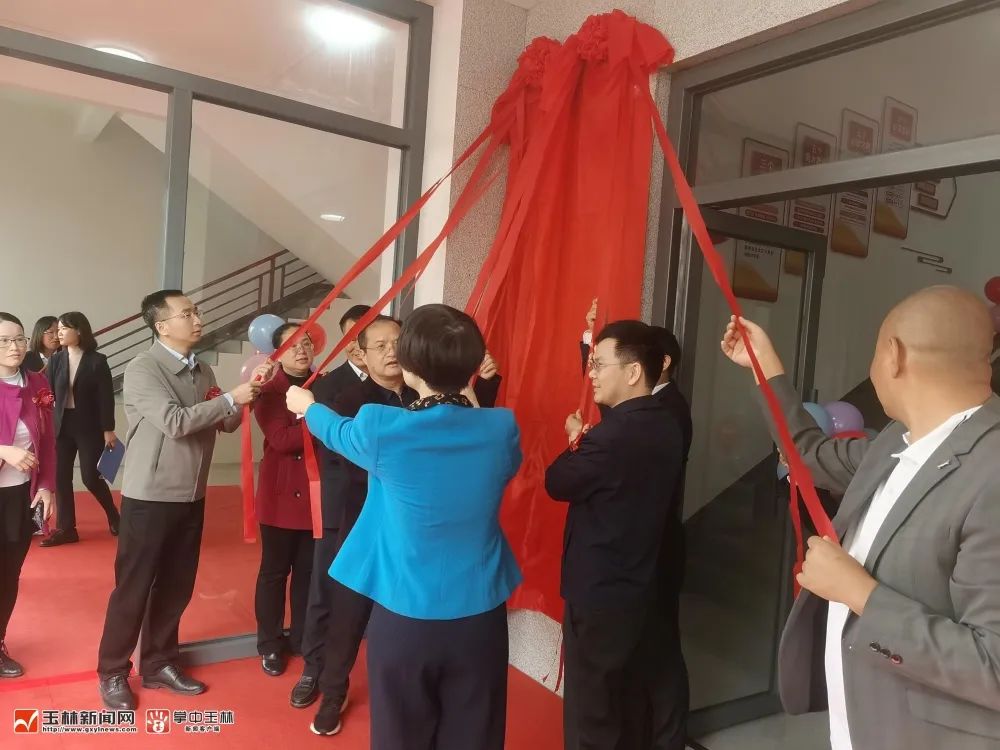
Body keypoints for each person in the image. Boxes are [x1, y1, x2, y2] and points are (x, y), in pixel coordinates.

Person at [720, 285, 1000, 750]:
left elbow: (992, 667)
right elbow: (809, 456)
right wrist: (764, 366)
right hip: (864, 721)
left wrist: (859, 593)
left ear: (893, 355)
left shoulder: (990, 471)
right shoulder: (897, 440)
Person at [287, 303, 521, 750]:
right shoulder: (501, 429)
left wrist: (306, 405)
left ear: (410, 368)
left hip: (405, 614)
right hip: (481, 615)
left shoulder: (384, 428)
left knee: (401, 735)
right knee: (476, 735)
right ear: (474, 365)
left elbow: (336, 431)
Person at [96, 290, 265, 711]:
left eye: (196, 311)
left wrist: (253, 392)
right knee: (134, 586)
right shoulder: (143, 368)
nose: (197, 319)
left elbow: (226, 422)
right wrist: (231, 398)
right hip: (151, 495)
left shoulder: (203, 369)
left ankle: (159, 663)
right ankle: (113, 670)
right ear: (162, 326)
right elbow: (174, 422)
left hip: (193, 493)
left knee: (176, 585)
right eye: (186, 313)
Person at [546, 320, 684, 750]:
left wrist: (576, 440)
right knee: (626, 702)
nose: (592, 373)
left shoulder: (612, 436)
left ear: (633, 372)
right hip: (638, 586)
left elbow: (557, 482)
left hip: (601, 592)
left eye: (599, 364)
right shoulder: (666, 422)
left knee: (592, 712)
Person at [290, 303, 371, 708]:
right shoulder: (325, 387)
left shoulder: (408, 390)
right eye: (356, 338)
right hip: (341, 502)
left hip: (388, 505)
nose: (364, 346)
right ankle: (313, 667)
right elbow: (328, 443)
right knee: (325, 588)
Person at [252, 323, 316, 677]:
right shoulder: (268, 390)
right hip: (280, 495)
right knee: (274, 573)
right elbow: (282, 440)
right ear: (277, 353)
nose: (301, 350)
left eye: (306, 343)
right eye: (292, 345)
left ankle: (303, 638)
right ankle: (270, 644)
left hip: (316, 493)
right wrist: (320, 417)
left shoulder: (323, 385)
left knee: (308, 572)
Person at [0, 313, 55, 677]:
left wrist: (47, 485)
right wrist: (3, 450)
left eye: (19, 338)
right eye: (4, 340)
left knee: (8, 573)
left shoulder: (36, 381)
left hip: (20, 496)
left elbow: (47, 441)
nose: (14, 346)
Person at [40, 311, 119, 547]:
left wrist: (108, 429)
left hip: (88, 426)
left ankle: (114, 516)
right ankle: (66, 529)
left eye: (64, 328)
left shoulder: (97, 361)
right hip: (61, 425)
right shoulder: (56, 360)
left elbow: (106, 398)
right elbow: (47, 393)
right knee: (61, 477)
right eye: (58, 329)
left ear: (79, 331)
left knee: (90, 477)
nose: (59, 333)